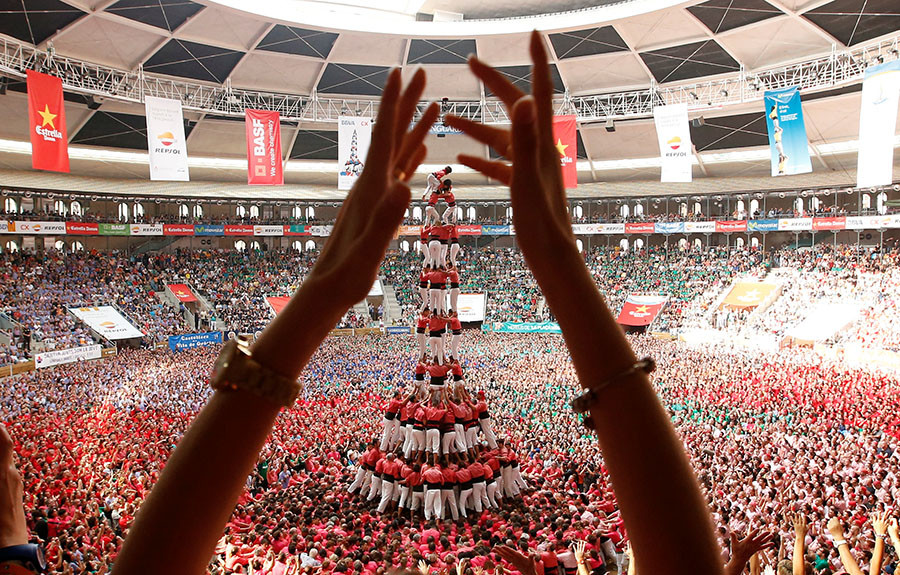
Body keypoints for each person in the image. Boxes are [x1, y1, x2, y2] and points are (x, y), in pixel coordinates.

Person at [114, 41, 720, 575]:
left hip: (439, 440)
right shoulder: (437, 411)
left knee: (438, 443)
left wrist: (316, 303)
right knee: (440, 439)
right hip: (439, 436)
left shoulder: (446, 411)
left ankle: (396, 481)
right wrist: (564, 274)